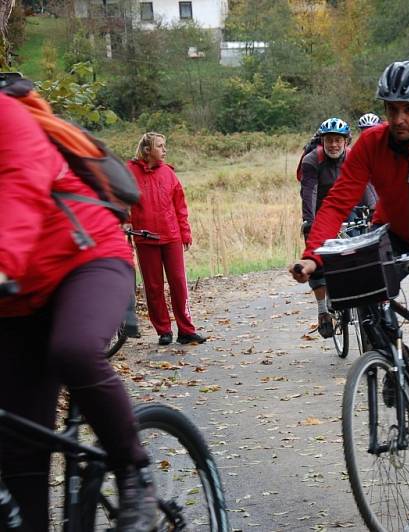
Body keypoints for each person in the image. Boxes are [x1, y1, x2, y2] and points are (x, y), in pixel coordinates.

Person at [290, 60, 409, 480]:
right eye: (391, 108)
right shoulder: (371, 144)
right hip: (393, 233)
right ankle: (394, 362)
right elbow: (337, 203)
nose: (397, 118)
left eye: (407, 110)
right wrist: (314, 255)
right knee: (364, 297)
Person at [0, 86, 155, 531]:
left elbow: (19, 195)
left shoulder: (8, 119)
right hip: (15, 299)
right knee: (19, 449)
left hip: (85, 259)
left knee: (73, 350)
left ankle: (133, 471)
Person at [300, 117, 377, 338]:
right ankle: (323, 310)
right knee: (318, 259)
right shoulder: (312, 160)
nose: (334, 144)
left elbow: (366, 185)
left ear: (346, 141)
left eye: (338, 140)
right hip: (320, 210)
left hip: (349, 207)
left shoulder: (354, 157)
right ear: (322, 141)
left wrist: (374, 211)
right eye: (329, 140)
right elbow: (309, 193)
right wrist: (310, 222)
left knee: (361, 251)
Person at [127, 132, 206, 346]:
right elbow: (120, 201)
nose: (164, 150)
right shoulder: (130, 172)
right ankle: (163, 331)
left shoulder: (169, 174)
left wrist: (185, 232)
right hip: (146, 239)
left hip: (171, 237)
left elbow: (180, 206)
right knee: (153, 287)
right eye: (160, 146)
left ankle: (186, 330)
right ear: (147, 150)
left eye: (164, 145)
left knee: (179, 283)